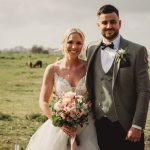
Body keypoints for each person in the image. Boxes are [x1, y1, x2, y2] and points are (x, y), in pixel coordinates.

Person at [86, 4, 150, 150]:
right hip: (98, 125)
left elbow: (144, 91)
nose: (109, 26)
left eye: (113, 22)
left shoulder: (137, 51)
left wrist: (137, 125)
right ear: (98, 25)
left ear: (119, 23)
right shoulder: (91, 49)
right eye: (104, 22)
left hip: (127, 125)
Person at [26, 28, 100, 150]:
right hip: (59, 125)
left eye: (78, 43)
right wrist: (58, 123)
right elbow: (43, 102)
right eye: (70, 42)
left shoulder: (89, 67)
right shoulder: (52, 69)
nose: (74, 47)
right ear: (63, 44)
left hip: (86, 126)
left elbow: (97, 96)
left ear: (83, 45)